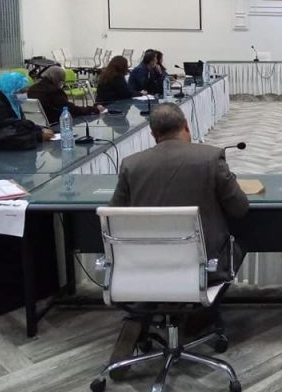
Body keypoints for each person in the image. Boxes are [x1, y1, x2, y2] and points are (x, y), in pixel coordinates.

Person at [108, 103, 249, 373]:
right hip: (203, 269)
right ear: (186, 126)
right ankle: (201, 315)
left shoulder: (131, 165)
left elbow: (115, 217)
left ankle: (147, 313)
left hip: (144, 267)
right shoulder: (211, 158)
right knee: (240, 243)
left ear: (153, 135)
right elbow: (240, 208)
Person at [27, 66, 103, 125]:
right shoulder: (54, 91)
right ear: (58, 79)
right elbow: (70, 109)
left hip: (37, 124)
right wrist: (92, 109)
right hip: (56, 123)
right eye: (62, 81)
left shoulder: (32, 89)